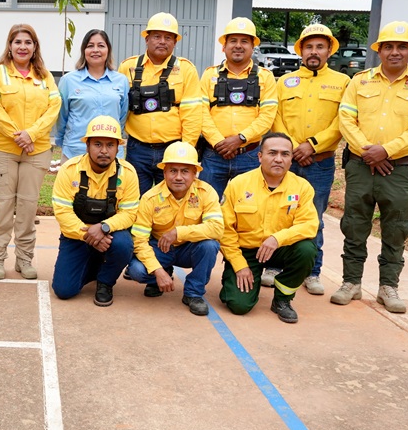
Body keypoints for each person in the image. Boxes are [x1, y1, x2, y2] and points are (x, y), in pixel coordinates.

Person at [332, 21, 408, 314]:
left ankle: (388, 287)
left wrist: (387, 150)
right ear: (379, 51)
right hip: (361, 166)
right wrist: (369, 152)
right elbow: (346, 119)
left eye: (402, 47)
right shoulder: (360, 81)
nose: (394, 52)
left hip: (398, 169)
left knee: (396, 228)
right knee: (354, 225)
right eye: (388, 46)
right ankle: (350, 282)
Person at [265, 24, 348, 295]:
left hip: (319, 163)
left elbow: (342, 121)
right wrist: (289, 149)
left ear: (329, 51)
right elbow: (276, 117)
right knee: (279, 213)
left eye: (320, 47)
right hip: (285, 161)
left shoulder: (343, 82)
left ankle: (312, 272)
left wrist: (312, 146)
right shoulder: (284, 81)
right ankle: (275, 266)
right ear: (300, 50)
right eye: (309, 46)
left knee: (314, 216)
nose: (314, 52)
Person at [0, 24, 61, 280]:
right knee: (3, 207)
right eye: (17, 42)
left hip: (36, 151)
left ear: (35, 47)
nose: (22, 47)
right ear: (10, 45)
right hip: (3, 149)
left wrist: (32, 135)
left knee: (28, 208)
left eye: (28, 42)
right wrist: (19, 135)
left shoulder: (45, 76)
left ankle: (24, 259)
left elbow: (53, 107)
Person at [219, 132, 318, 323]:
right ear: (260, 156)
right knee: (238, 305)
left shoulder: (302, 187)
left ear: (291, 159)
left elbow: (309, 225)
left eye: (285, 154)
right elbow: (225, 229)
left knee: (306, 250)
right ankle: (236, 281)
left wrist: (277, 239)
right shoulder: (239, 184)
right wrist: (239, 266)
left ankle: (282, 299)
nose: (278, 159)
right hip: (246, 251)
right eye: (272, 153)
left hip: (279, 249)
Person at [51, 116, 139, 307]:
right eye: (97, 144)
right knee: (64, 290)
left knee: (124, 244)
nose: (104, 151)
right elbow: (63, 212)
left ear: (118, 147)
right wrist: (89, 236)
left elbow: (130, 214)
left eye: (110, 145)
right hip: (77, 236)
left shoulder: (128, 173)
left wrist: (104, 227)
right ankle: (96, 264)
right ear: (87, 145)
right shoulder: (69, 170)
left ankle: (105, 282)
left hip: (110, 236)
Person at [126, 141, 222, 316]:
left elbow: (216, 229)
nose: (178, 177)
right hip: (160, 249)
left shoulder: (206, 193)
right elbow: (139, 240)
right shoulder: (150, 198)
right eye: (173, 171)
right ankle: (160, 276)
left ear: (195, 174)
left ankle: (193, 293)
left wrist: (179, 232)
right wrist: (157, 270)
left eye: (185, 171)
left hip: (189, 249)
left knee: (210, 246)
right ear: (164, 173)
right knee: (136, 270)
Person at [117, 12, 204, 195]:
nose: (162, 41)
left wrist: (185, 151)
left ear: (175, 42)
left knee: (170, 201)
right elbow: (119, 109)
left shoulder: (186, 70)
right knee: (133, 200)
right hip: (137, 149)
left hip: (172, 149)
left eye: (168, 37)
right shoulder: (128, 68)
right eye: (156, 36)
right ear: (147, 39)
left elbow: (192, 115)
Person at [199, 17, 278, 198]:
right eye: (233, 41)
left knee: (248, 210)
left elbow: (267, 117)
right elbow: (201, 113)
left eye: (244, 41)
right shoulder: (209, 75)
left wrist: (241, 139)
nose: (238, 46)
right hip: (213, 156)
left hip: (249, 157)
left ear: (252, 47)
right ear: (224, 46)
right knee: (206, 208)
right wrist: (219, 141)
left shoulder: (265, 77)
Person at [55, 29, 129, 160]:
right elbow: (62, 116)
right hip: (76, 150)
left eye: (101, 45)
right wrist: (62, 141)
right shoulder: (68, 81)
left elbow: (122, 116)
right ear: (84, 50)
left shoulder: (121, 81)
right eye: (90, 46)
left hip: (111, 154)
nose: (95, 50)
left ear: (108, 50)